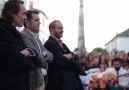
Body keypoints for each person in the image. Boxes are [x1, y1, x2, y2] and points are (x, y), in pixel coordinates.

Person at [0, 0, 41, 90]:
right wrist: (29, 54)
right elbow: (17, 61)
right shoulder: (2, 32)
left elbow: (37, 57)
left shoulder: (15, 33)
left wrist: (29, 51)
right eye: (24, 14)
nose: (26, 18)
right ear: (13, 14)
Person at [44, 20, 85, 90]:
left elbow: (77, 58)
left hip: (67, 83)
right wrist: (72, 58)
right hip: (58, 84)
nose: (62, 30)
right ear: (52, 30)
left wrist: (72, 55)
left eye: (62, 28)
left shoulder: (63, 45)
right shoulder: (49, 44)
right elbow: (63, 62)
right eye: (59, 28)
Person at [21, 10, 53, 90]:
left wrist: (43, 55)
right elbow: (36, 56)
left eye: (39, 20)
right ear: (27, 22)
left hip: (41, 79)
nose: (40, 23)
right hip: (34, 81)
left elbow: (51, 56)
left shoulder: (36, 37)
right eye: (36, 20)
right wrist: (44, 56)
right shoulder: (24, 35)